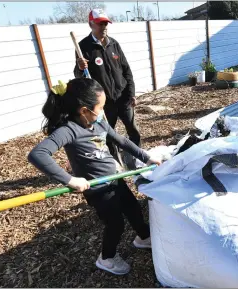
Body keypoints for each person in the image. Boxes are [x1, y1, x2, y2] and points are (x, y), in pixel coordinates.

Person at [28, 78, 161, 275]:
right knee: (115, 224)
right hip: (97, 189)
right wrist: (70, 179)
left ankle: (143, 238)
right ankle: (106, 258)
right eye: (100, 107)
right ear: (84, 110)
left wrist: (146, 157)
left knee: (133, 209)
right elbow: (37, 154)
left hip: (115, 179)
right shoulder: (69, 130)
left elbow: (122, 141)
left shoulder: (99, 124)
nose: (102, 111)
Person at [74, 9, 140, 167]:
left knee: (133, 130)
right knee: (107, 134)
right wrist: (80, 67)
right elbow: (80, 77)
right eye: (100, 23)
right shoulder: (84, 46)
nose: (104, 26)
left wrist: (131, 93)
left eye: (105, 23)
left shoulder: (114, 44)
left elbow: (126, 70)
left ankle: (135, 158)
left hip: (123, 97)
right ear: (91, 24)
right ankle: (116, 163)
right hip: (103, 103)